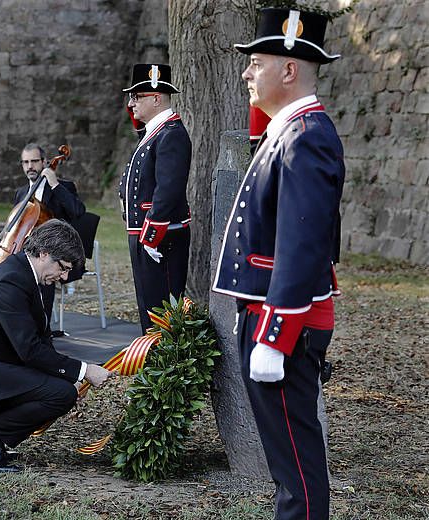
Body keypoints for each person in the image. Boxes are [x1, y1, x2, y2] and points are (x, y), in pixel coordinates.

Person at [212, 7, 345, 519]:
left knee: (296, 467)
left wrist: (274, 336)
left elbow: (303, 246)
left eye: (258, 62)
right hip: (270, 314)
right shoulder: (290, 130)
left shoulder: (306, 135)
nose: (247, 72)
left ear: (289, 70)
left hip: (280, 321)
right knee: (287, 462)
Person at [0, 219, 113, 473]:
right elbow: (29, 349)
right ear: (43, 254)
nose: (64, 277)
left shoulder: (25, 273)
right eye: (62, 268)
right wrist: (84, 371)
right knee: (60, 394)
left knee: (62, 389)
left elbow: (39, 341)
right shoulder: (12, 280)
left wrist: (69, 375)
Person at [118, 63, 192, 333]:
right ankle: (153, 364)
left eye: (137, 97)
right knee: (148, 304)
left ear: (156, 98)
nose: (131, 103)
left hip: (161, 237)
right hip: (145, 233)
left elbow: (169, 189)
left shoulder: (171, 134)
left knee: (161, 306)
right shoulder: (155, 131)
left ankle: (165, 367)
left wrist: (151, 235)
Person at [13, 143, 86, 323]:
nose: (29, 166)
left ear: (45, 162)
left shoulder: (63, 187)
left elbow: (78, 212)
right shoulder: (20, 193)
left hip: (54, 253)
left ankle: (41, 327)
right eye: (25, 162)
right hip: (26, 250)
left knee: (44, 264)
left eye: (34, 161)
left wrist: (54, 184)